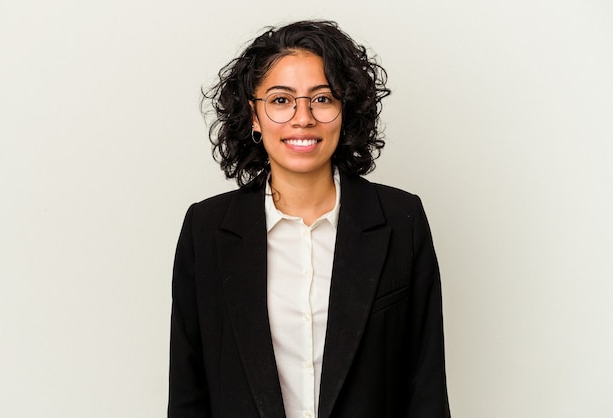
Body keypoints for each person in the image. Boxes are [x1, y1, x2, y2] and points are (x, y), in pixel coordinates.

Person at [168, 20, 450, 418]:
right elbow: (188, 391)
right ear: (253, 115)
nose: (303, 118)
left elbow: (426, 389)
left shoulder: (401, 221)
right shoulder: (206, 229)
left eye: (322, 98)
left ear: (344, 110)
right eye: (281, 100)